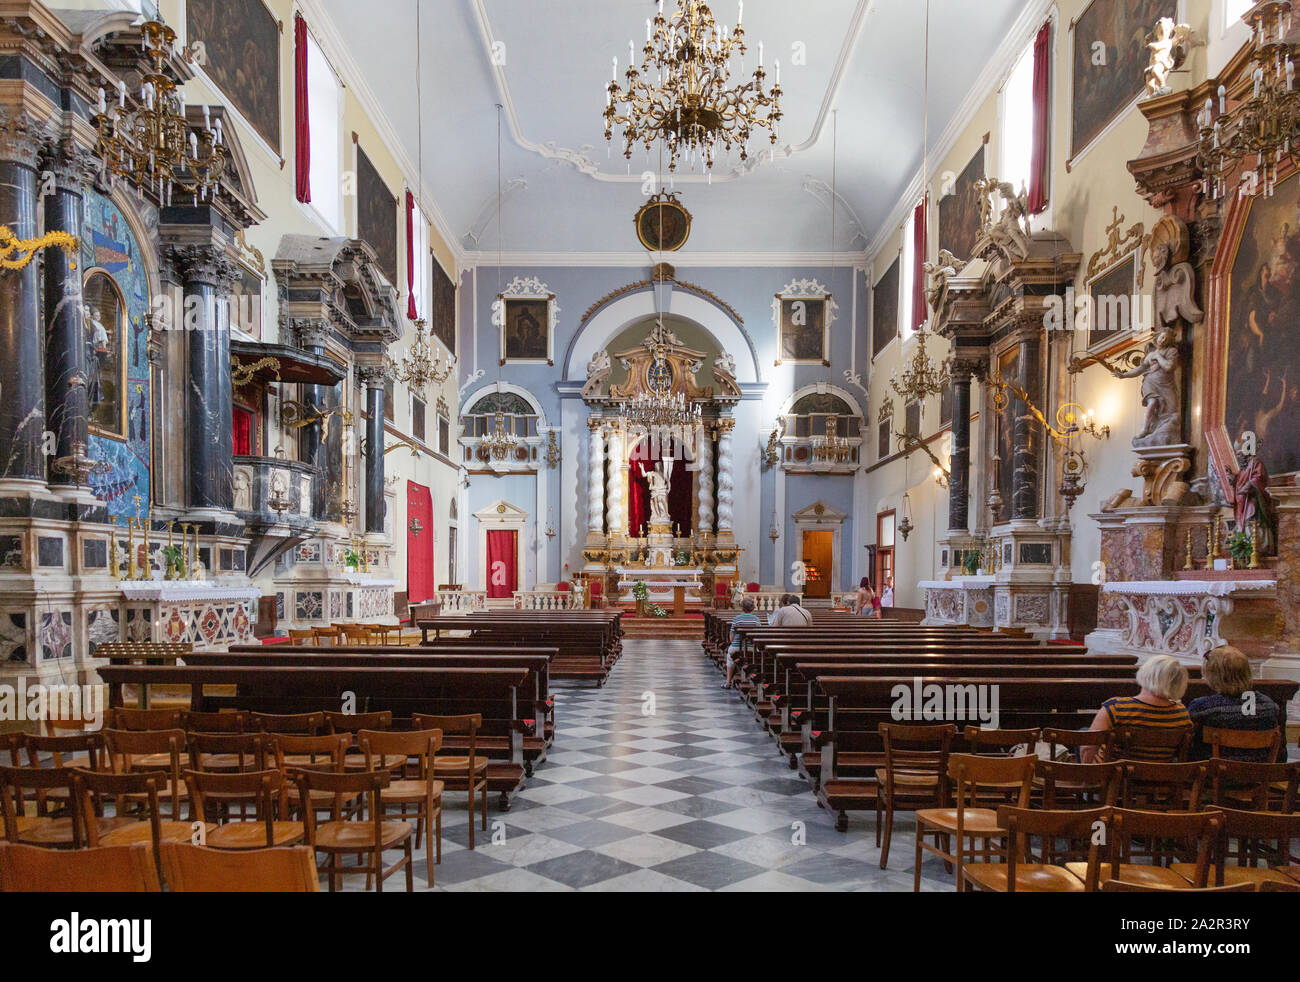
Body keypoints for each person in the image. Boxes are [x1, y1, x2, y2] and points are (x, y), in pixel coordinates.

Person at [1082, 655, 1192, 763]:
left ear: (1145, 674)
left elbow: (1089, 747)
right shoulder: (1182, 713)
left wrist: (1088, 773)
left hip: (1114, 773)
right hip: (1158, 773)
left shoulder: (1116, 707)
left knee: (1084, 732)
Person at [1188, 646, 1280, 762]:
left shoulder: (1203, 707)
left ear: (1214, 676)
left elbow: (1187, 742)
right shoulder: (1269, 706)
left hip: (1214, 771)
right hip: (1258, 771)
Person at [724, 597, 760, 690]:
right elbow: (758, 634)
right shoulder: (756, 619)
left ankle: (728, 682)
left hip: (737, 646)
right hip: (751, 647)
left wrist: (733, 643)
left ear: (742, 607)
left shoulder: (737, 619)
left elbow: (731, 637)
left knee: (730, 657)